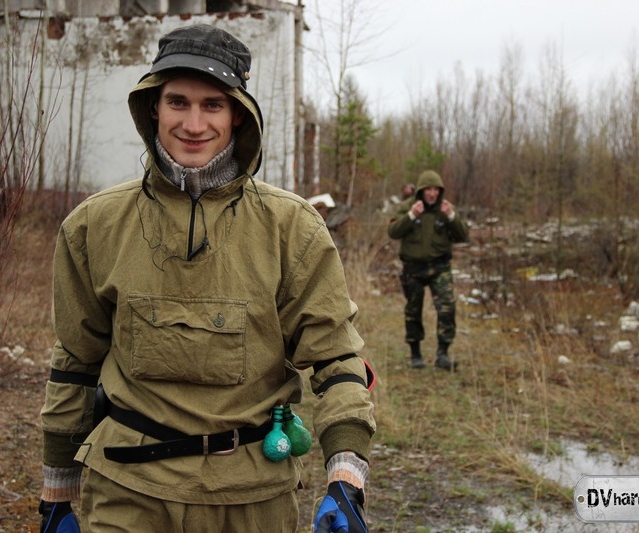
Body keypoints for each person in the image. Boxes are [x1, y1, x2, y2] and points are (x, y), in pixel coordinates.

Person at [38, 24, 376, 533]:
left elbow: (336, 358)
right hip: (128, 492)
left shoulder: (291, 227)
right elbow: (75, 364)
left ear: (237, 113)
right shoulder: (95, 225)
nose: (193, 124)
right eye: (178, 102)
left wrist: (346, 479)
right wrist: (57, 494)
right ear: (154, 107)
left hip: (252, 499)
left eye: (212, 105)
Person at [387, 171, 468, 371]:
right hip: (413, 268)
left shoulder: (445, 209)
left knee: (447, 308)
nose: (432, 194)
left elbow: (463, 235)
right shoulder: (407, 207)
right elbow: (393, 232)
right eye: (428, 190)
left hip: (440, 267)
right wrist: (411, 216)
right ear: (421, 191)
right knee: (413, 310)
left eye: (436, 190)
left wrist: (451, 217)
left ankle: (443, 354)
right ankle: (415, 354)